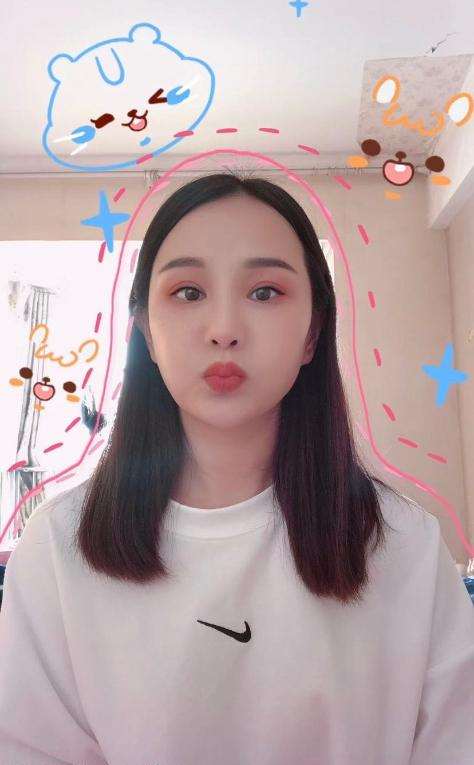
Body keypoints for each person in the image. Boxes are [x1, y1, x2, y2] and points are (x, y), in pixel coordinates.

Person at [0, 171, 473, 765]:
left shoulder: (403, 543)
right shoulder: (59, 548)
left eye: (265, 292)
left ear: (313, 333)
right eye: (188, 292)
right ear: (145, 330)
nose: (223, 330)